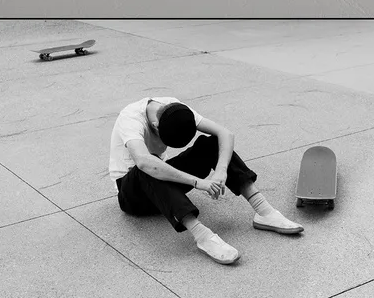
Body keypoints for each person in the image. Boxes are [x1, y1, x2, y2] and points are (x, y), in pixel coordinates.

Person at [108, 96, 304, 265]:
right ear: (155, 126)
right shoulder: (131, 119)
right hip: (132, 194)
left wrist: (221, 171)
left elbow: (225, 134)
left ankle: (264, 211)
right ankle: (202, 236)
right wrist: (197, 182)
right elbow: (143, 162)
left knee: (210, 144)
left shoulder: (174, 107)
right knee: (148, 167)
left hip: (162, 187)